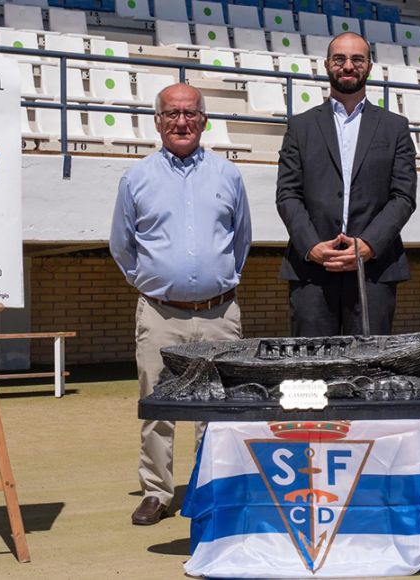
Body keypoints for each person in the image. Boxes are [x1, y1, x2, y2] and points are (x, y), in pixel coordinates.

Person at [110, 83, 252, 526]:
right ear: (157, 121)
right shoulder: (136, 178)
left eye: (190, 113)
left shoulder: (229, 175)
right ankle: (156, 491)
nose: (181, 122)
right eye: (171, 114)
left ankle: (212, 487)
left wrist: (214, 281)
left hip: (219, 314)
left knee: (218, 407)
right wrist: (156, 285)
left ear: (204, 120)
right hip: (160, 315)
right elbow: (122, 245)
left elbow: (241, 240)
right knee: (158, 408)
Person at [276, 32, 417, 337]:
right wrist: (311, 245)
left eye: (357, 59)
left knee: (369, 373)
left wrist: (369, 245)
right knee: (312, 373)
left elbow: (403, 196)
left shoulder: (395, 127)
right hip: (312, 270)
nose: (348, 66)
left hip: (374, 271)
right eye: (339, 59)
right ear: (327, 65)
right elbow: (288, 193)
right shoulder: (300, 127)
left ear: (369, 66)